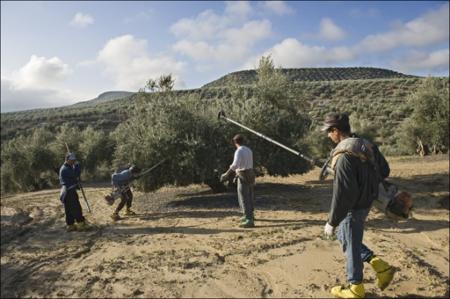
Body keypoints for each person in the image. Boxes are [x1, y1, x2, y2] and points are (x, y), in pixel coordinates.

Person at [321, 113, 395, 298]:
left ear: (336, 131)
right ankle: (380, 265)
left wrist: (331, 221)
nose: (328, 135)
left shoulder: (344, 156)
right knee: (344, 237)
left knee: (351, 244)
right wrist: (363, 177)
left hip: (352, 208)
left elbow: (343, 195)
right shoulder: (366, 144)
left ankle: (356, 287)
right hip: (367, 202)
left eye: (329, 132)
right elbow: (384, 170)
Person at [220, 134, 256, 228]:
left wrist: (226, 174)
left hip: (243, 175)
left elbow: (235, 165)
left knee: (244, 197)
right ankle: (250, 215)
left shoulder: (239, 151)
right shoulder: (249, 150)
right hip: (251, 173)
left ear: (235, 142)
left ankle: (249, 220)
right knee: (250, 195)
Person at [59, 153, 90, 232]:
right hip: (69, 192)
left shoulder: (68, 167)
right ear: (67, 160)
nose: (73, 162)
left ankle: (70, 225)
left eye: (74, 160)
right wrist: (77, 167)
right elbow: (75, 175)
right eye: (72, 160)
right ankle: (80, 224)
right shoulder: (65, 169)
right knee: (76, 208)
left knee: (69, 209)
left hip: (68, 191)